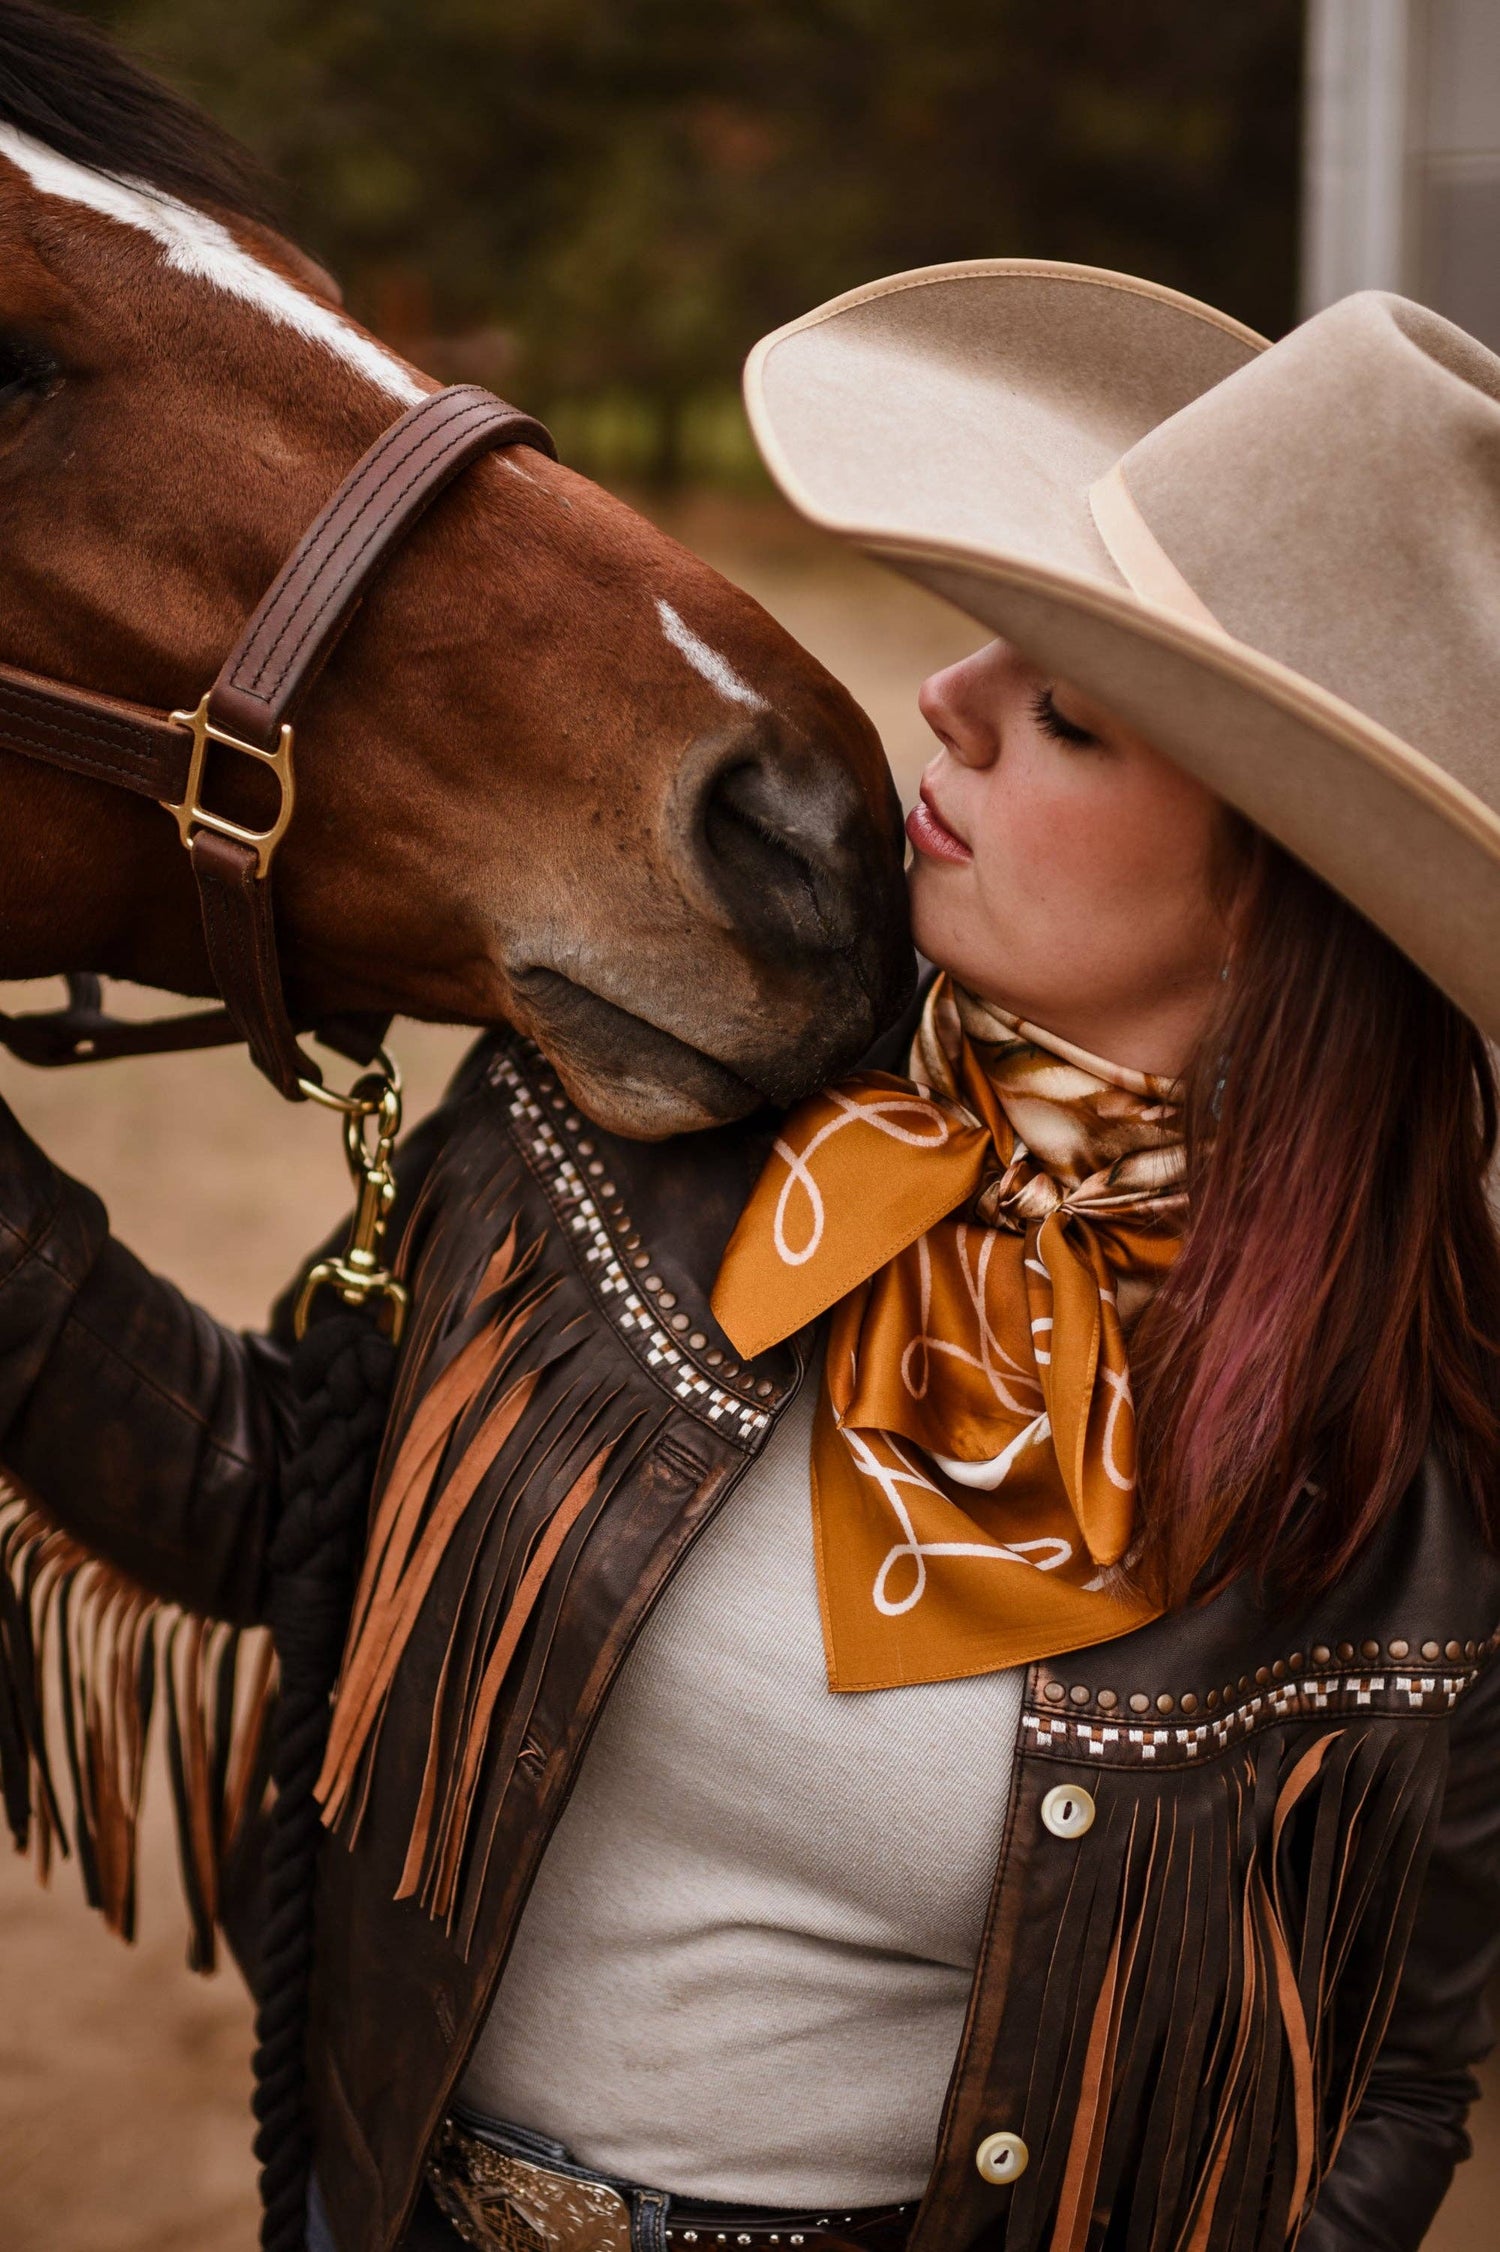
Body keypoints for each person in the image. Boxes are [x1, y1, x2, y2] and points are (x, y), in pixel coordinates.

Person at [3, 261, 1500, 2252]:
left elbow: (1393, 2073)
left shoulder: (1405, 1486)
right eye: (990, 646)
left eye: (1066, 714)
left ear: (1271, 910)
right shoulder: (639, 1131)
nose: (945, 702)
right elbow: (277, 1504)